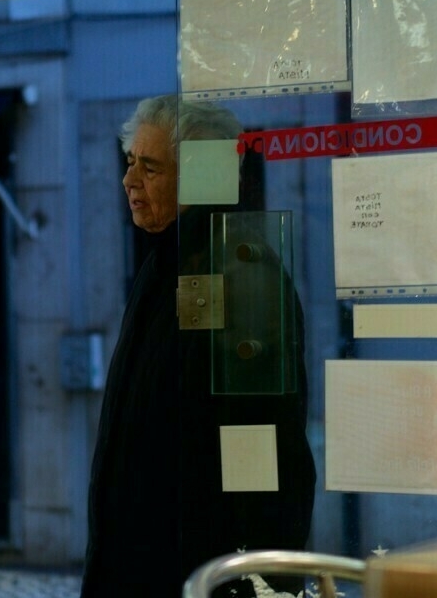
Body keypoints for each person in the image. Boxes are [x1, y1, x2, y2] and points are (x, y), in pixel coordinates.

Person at [82, 96, 315, 598]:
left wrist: (255, 576)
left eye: (150, 167)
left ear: (201, 176)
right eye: (129, 163)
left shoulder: (238, 271)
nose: (129, 182)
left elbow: (264, 443)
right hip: (138, 565)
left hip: (194, 574)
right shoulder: (169, 260)